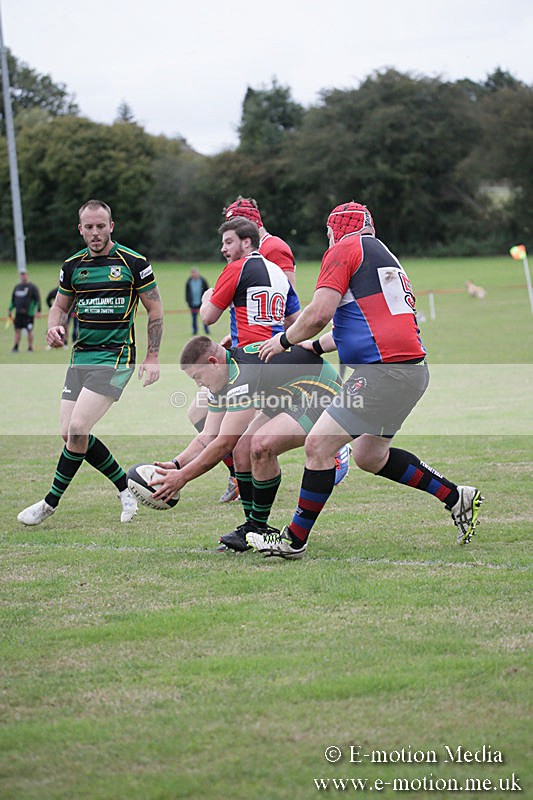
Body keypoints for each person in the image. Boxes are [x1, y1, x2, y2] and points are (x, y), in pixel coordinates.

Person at [248, 201, 484, 559]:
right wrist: (313, 346)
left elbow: (319, 313)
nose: (328, 240)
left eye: (328, 233)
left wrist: (283, 340)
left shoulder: (345, 248)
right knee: (371, 456)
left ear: (336, 230)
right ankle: (457, 497)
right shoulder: (384, 256)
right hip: (412, 371)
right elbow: (358, 325)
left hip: (383, 371)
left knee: (318, 446)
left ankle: (293, 539)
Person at [17, 199, 163, 526]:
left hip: (117, 357)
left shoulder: (133, 262)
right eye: (89, 227)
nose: (95, 232)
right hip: (81, 356)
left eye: (101, 226)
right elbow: (59, 308)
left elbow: (155, 309)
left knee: (79, 428)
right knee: (70, 436)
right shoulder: (72, 266)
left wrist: (152, 356)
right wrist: (53, 327)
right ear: (80, 229)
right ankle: (125, 488)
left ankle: (49, 504)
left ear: (111, 226)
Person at [150, 335, 343, 552]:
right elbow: (209, 435)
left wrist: (182, 478)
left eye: (197, 376)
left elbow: (223, 444)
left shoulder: (242, 376)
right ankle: (253, 529)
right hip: (287, 396)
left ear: (213, 363)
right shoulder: (223, 377)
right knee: (242, 449)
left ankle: (258, 527)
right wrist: (177, 465)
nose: (198, 384)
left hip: (320, 391)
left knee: (261, 446)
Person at [190, 214, 302, 504]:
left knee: (222, 434)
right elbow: (295, 321)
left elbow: (208, 316)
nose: (223, 249)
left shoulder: (237, 268)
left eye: (229, 242)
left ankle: (248, 507)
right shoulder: (277, 272)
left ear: (247, 241)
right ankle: (244, 491)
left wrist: (207, 297)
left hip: (248, 364)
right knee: (239, 439)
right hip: (277, 359)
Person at [223, 196, 297, 287]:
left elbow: (288, 292)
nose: (232, 231)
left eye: (236, 225)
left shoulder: (274, 248)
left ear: (252, 222)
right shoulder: (246, 249)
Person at [9, 271, 41, 352]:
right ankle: (16, 347)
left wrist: (38, 310)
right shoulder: (17, 287)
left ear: (27, 276)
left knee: (29, 330)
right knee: (17, 330)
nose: (23, 277)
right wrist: (10, 309)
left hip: (28, 314)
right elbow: (13, 300)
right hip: (18, 313)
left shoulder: (32, 287)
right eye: (22, 275)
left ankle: (30, 347)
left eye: (24, 275)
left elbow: (38, 300)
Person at [185, 268, 210, 335]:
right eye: (192, 273)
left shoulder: (202, 281)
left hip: (202, 303)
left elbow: (207, 290)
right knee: (194, 318)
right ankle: (195, 331)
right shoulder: (189, 282)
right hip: (193, 303)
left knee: (204, 318)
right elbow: (187, 292)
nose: (194, 275)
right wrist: (188, 301)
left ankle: (206, 330)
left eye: (195, 273)